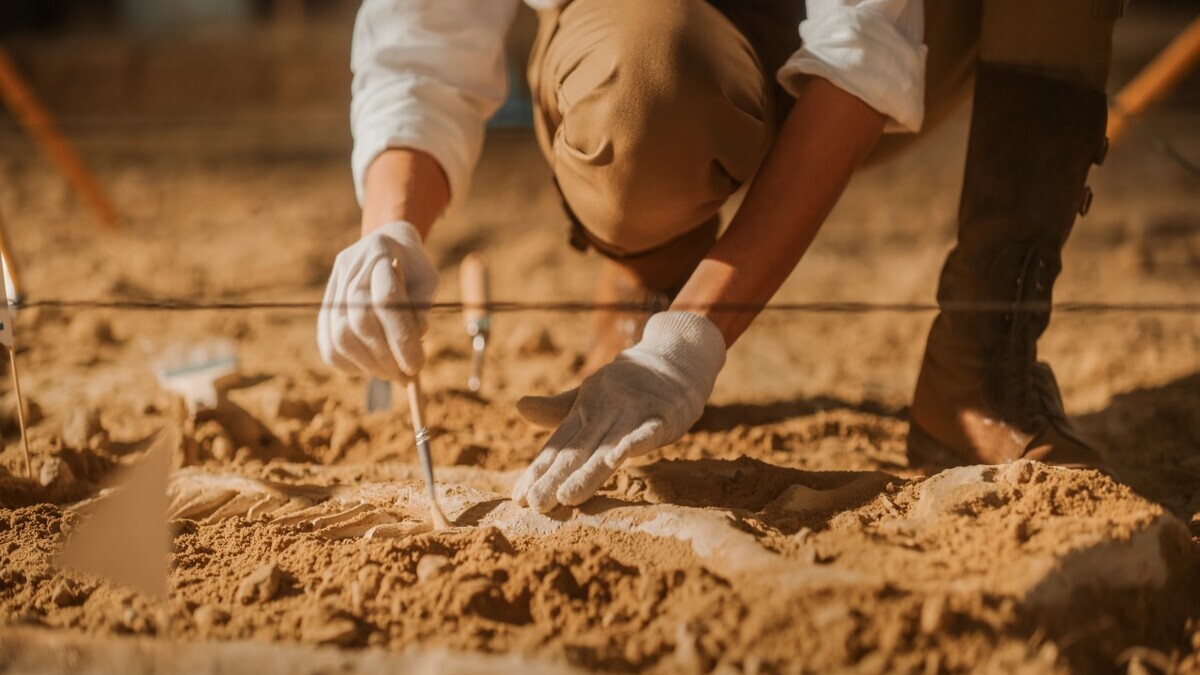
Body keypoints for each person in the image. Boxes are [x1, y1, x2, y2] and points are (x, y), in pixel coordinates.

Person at [318, 0, 1119, 514]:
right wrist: (391, 226)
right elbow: (426, 33)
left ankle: (983, 351)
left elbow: (865, 46)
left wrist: (689, 340)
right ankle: (653, 259)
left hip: (908, 36)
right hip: (658, 35)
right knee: (642, 94)